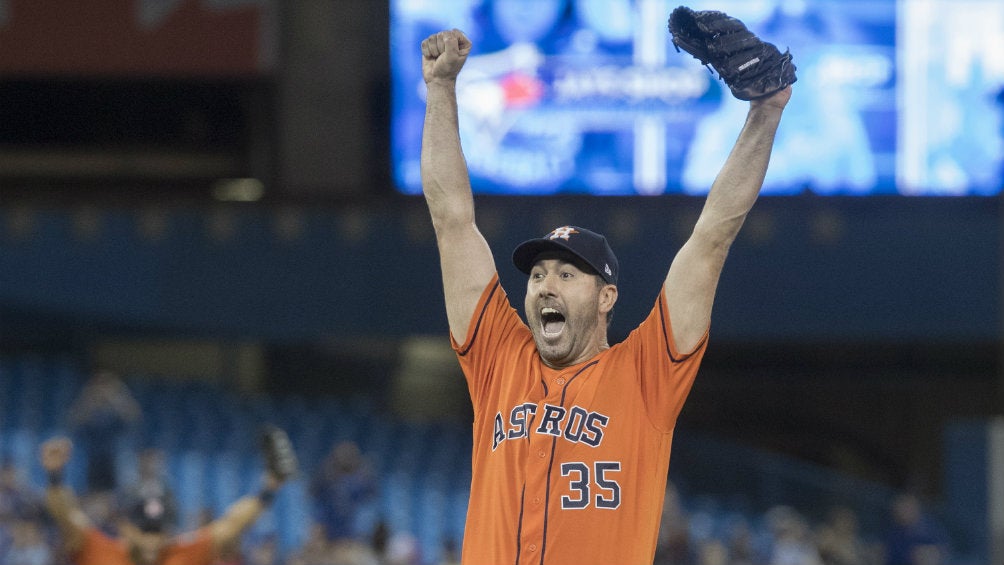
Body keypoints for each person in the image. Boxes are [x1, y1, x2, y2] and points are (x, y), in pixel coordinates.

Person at [419, 24, 791, 565]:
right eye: (539, 274)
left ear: (606, 297)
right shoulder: (497, 357)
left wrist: (767, 111)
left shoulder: (646, 374)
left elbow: (711, 237)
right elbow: (452, 221)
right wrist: (441, 89)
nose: (546, 284)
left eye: (568, 275)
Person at [39, 436, 290, 565]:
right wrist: (54, 476)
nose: (153, 540)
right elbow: (66, 516)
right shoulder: (97, 549)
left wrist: (268, 489)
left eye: (159, 530)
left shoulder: (184, 553)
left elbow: (232, 524)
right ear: (124, 525)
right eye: (145, 529)